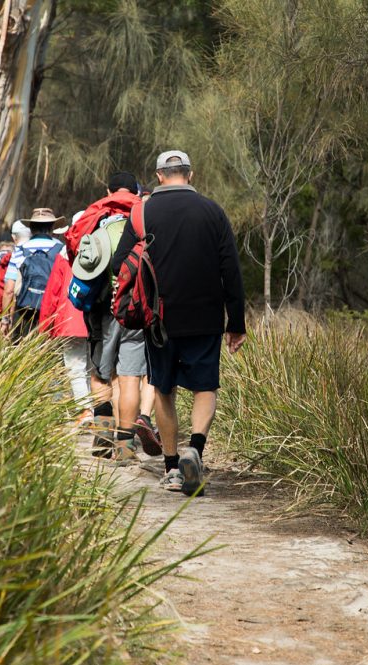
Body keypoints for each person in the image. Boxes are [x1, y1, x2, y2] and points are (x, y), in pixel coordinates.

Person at [112, 150, 246, 496]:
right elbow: (230, 269)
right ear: (190, 173)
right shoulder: (213, 212)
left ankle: (172, 468)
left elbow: (118, 265)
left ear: (158, 176)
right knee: (205, 387)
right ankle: (195, 450)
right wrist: (237, 322)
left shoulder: (142, 212)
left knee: (163, 389)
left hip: (159, 318)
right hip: (206, 316)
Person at [71, 173, 153, 464]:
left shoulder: (94, 213)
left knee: (99, 371)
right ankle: (125, 445)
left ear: (108, 190)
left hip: (101, 307)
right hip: (134, 306)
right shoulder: (145, 213)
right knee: (130, 376)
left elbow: (76, 255)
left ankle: (102, 434)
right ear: (136, 190)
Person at [39, 241, 92, 425]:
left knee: (76, 367)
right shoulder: (101, 248)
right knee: (95, 367)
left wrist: (44, 327)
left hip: (70, 320)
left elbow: (53, 292)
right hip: (96, 318)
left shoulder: (64, 254)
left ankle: (85, 410)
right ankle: (98, 410)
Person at [0, 208, 64, 339]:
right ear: (52, 228)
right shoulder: (61, 250)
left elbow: (9, 290)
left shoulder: (20, 250)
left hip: (23, 313)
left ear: (31, 228)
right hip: (52, 314)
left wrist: (5, 320)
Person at [0, 221, 31, 321]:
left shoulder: (15, 256)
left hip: (17, 311)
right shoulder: (49, 251)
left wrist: (3, 318)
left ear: (14, 238)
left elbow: (7, 290)